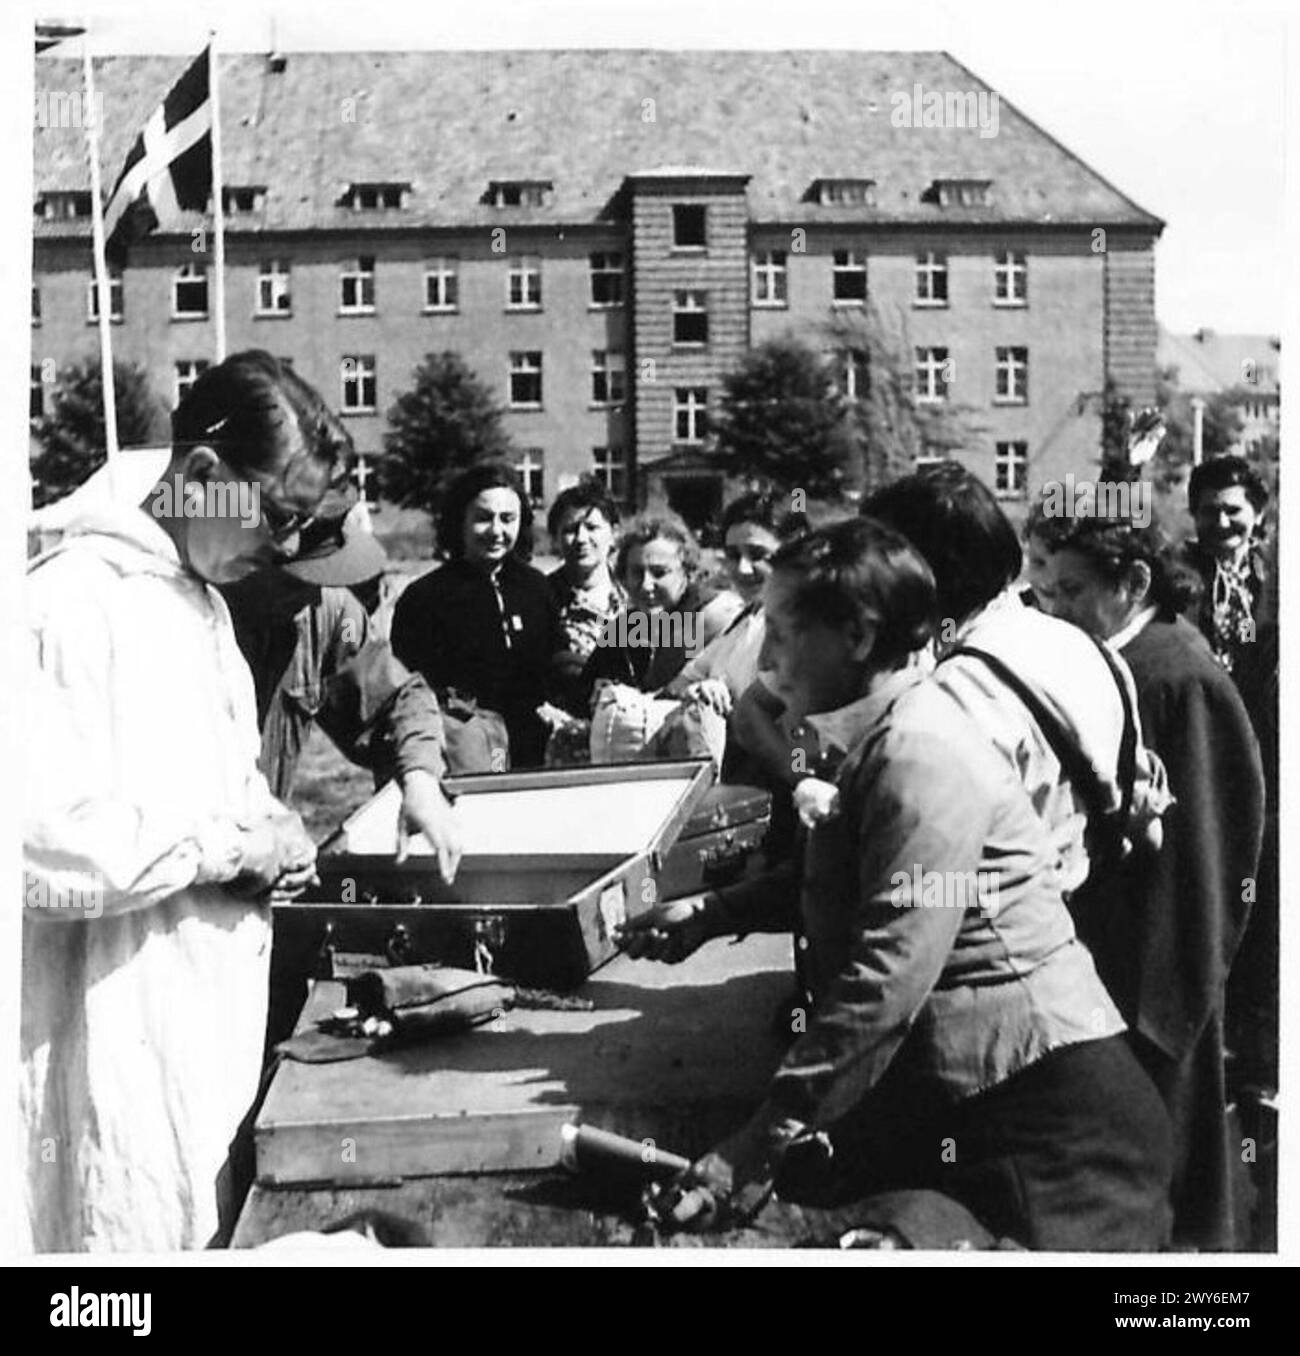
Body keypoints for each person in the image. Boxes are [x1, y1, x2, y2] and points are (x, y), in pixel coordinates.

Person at [619, 519, 1173, 1250]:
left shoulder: (921, 755)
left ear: (856, 636)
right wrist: (713, 912)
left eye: (785, 631)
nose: (769, 656)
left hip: (1052, 1130)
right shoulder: (891, 735)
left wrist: (757, 1139)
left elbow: (892, 969)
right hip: (998, 1106)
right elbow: (871, 878)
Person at [22, 351, 335, 1251]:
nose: (284, 546)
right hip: (105, 1053)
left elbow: (221, 791)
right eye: (277, 515)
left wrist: (270, 825)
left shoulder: (201, 609)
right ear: (202, 475)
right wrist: (221, 850)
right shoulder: (67, 607)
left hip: (201, 1043)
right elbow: (36, 849)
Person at [1029, 507, 1265, 1250]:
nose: (1054, 609)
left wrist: (1165, 998)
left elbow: (1203, 855)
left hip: (1155, 972)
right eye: (1047, 590)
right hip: (1115, 954)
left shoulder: (1174, 675)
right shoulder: (1120, 663)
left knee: (1164, 1179)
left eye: (1070, 592)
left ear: (1131, 583)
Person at [864, 462, 1170, 901]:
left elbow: (938, 857)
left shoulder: (956, 691)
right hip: (1084, 919)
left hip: (1003, 932)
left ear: (918, 575)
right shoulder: (1085, 647)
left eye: (876, 566)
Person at [391, 462, 567, 769]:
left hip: (533, 749)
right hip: (462, 753)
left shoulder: (536, 587)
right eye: (483, 518)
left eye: (507, 519)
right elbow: (408, 688)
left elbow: (556, 664)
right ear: (460, 521)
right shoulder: (425, 597)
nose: (496, 531)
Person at [544, 478, 625, 715]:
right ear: (555, 538)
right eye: (570, 530)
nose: (581, 538)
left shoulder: (636, 593)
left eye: (591, 527)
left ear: (614, 533)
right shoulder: (541, 598)